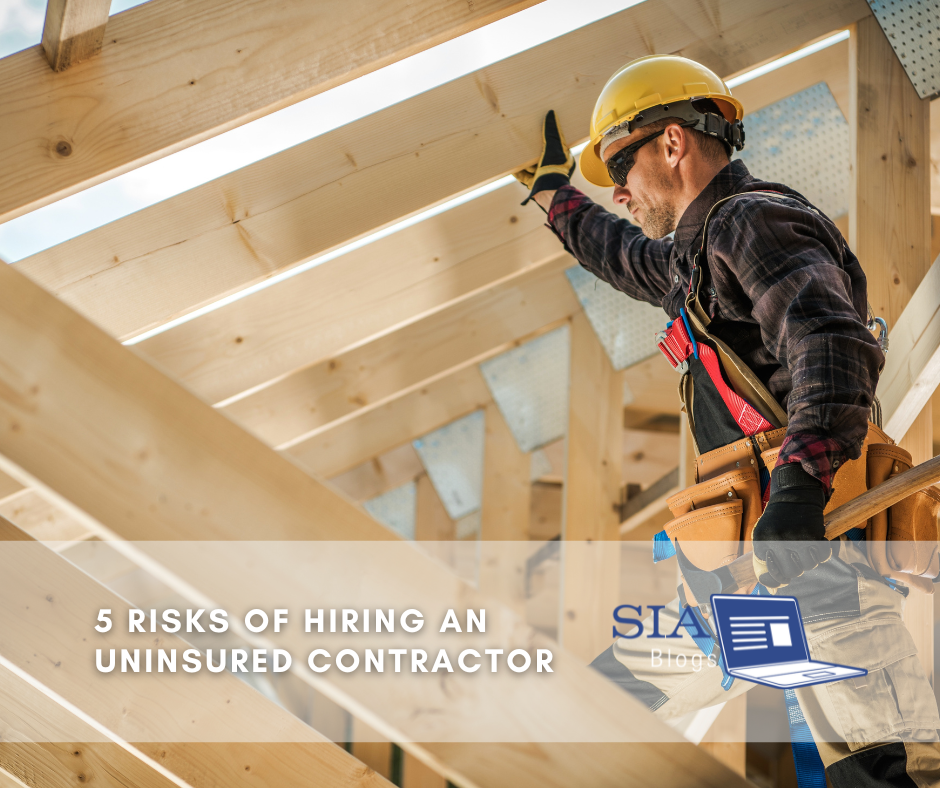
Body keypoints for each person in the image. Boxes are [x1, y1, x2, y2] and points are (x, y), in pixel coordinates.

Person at [516, 54, 940, 785]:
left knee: (866, 778)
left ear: (673, 144)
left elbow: (831, 344)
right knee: (583, 716)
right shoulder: (693, 257)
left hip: (822, 583)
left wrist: (801, 488)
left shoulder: (751, 222)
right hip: (744, 591)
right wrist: (557, 194)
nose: (616, 190)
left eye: (621, 162)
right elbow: (617, 254)